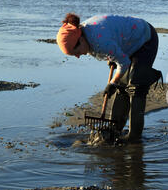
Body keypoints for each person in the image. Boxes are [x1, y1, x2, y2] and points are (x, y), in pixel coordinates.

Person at [56, 13, 161, 143]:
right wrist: (111, 58)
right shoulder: (85, 34)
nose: (78, 56)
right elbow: (113, 47)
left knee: (136, 87)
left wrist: (112, 82)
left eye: (76, 52)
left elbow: (123, 62)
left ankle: (134, 136)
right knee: (121, 87)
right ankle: (115, 128)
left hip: (145, 39)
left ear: (81, 39)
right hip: (127, 44)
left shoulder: (100, 41)